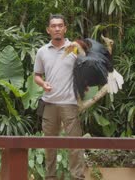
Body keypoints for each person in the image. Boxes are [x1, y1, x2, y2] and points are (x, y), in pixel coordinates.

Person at [34, 14, 85, 180]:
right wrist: (43, 84)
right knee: (49, 145)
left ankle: (77, 177)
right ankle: (50, 177)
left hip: (69, 103)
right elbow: (37, 75)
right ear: (48, 30)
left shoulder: (74, 48)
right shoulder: (42, 51)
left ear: (65, 28)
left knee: (75, 144)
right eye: (53, 26)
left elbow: (85, 69)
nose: (57, 28)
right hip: (49, 104)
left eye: (60, 25)